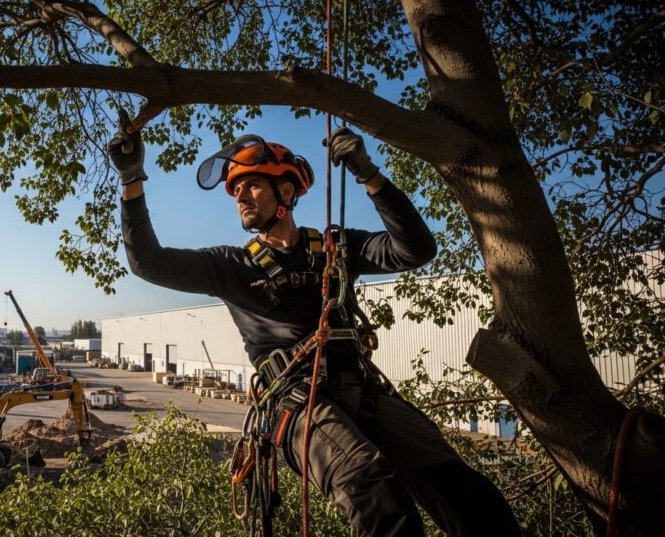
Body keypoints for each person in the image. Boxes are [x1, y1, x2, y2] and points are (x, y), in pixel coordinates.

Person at [107, 109, 520, 536]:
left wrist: (369, 174)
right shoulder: (230, 266)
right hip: (297, 404)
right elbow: (149, 262)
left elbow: (415, 249)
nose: (240, 196)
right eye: (235, 190)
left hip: (363, 392)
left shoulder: (335, 248)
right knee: (373, 490)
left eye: (250, 185)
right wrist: (131, 179)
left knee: (470, 495)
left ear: (285, 191)